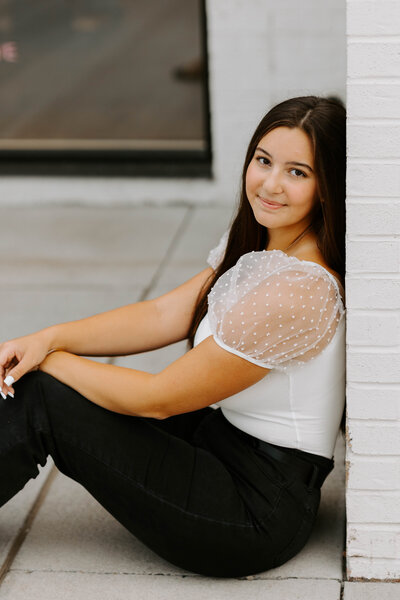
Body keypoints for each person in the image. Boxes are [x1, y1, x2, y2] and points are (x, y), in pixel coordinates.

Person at [0, 95, 346, 578]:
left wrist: (49, 358)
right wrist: (48, 336)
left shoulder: (298, 289)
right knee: (43, 385)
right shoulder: (266, 244)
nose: (270, 184)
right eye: (264, 161)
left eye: (297, 172)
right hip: (220, 442)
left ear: (327, 187)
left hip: (253, 510)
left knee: (42, 396)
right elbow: (163, 313)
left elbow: (157, 398)